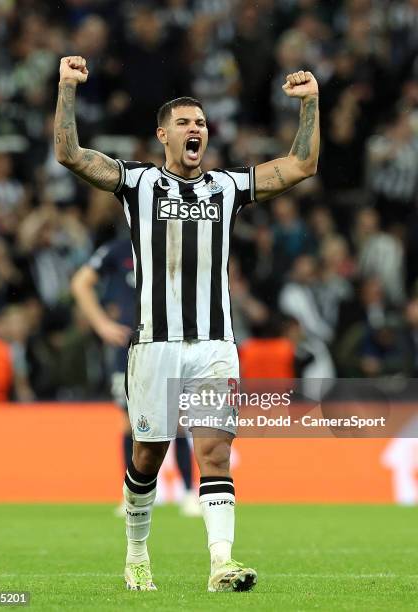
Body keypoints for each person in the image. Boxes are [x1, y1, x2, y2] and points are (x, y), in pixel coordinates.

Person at [54, 55, 319, 592]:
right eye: (183, 122)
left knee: (214, 451)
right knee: (147, 455)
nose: (195, 129)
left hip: (215, 343)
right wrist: (66, 89)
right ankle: (135, 553)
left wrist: (311, 104)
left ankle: (222, 563)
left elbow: (299, 166)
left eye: (200, 122)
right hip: (155, 343)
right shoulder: (136, 183)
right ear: (162, 135)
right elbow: (69, 153)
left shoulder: (227, 188)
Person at [71, 237, 201, 517]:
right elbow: (81, 282)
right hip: (127, 348)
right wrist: (102, 324)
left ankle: (189, 493)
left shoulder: (174, 245)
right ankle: (130, 495)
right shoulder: (117, 249)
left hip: (166, 342)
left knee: (175, 419)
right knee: (128, 421)